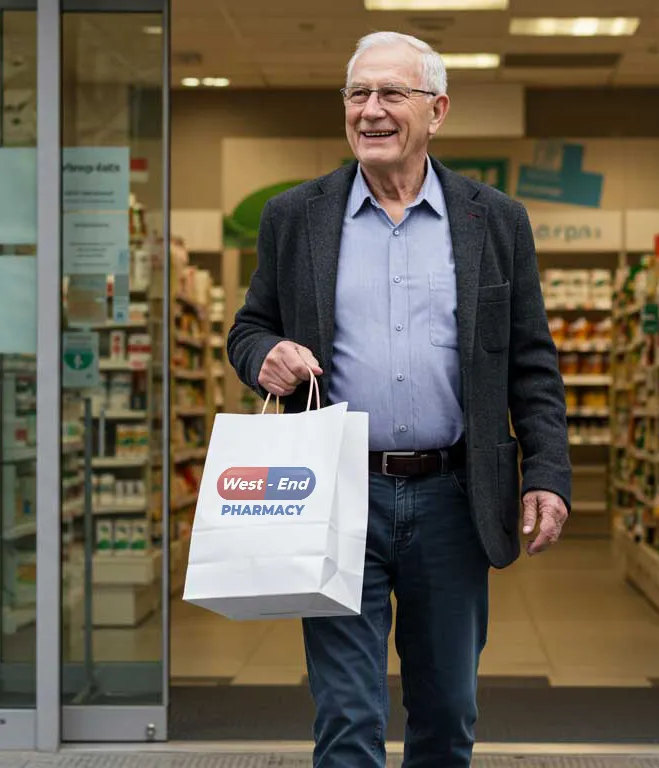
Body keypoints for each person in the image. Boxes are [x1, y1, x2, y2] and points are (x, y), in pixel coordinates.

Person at [227, 30, 572, 768]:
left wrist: (546, 473)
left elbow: (531, 363)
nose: (371, 111)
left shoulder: (495, 219)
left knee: (445, 713)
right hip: (336, 492)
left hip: (453, 494)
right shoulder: (297, 216)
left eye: (391, 94)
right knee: (348, 715)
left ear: (436, 110)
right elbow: (249, 328)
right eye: (357, 94)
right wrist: (267, 356)